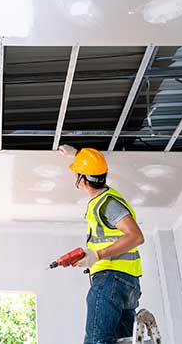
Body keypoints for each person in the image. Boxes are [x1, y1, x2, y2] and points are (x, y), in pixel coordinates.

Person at [59, 145, 145, 344]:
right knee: (121, 340)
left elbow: (136, 236)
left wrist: (97, 256)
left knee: (97, 341)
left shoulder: (106, 204)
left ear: (81, 179)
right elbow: (94, 167)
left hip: (111, 280)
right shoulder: (108, 196)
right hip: (127, 283)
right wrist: (77, 155)